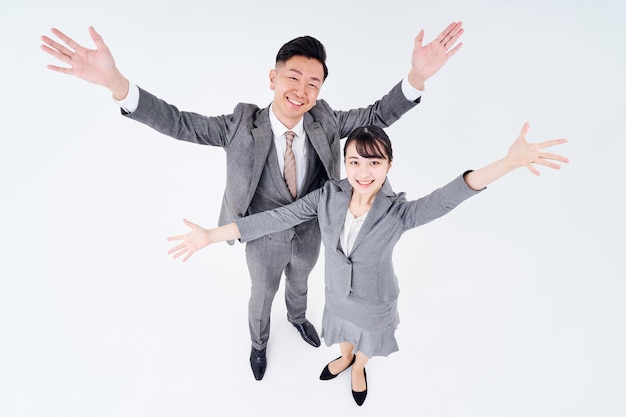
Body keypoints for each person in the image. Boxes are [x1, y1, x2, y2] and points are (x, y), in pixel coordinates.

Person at [40, 22, 465, 381]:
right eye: (293, 78)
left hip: (313, 231)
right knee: (262, 293)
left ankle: (298, 320)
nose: (301, 90)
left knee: (300, 284)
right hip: (261, 236)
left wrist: (416, 78)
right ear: (273, 79)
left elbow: (376, 116)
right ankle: (259, 344)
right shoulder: (241, 124)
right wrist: (117, 84)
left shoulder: (324, 119)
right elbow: (179, 122)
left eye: (312, 83)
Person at [166, 122, 569, 405]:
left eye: (374, 162)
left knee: (366, 344)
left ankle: (358, 367)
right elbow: (273, 219)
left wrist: (507, 163)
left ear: (389, 166)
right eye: (355, 161)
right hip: (338, 295)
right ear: (346, 163)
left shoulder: (399, 213)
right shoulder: (327, 196)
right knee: (342, 334)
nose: (363, 171)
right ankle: (343, 357)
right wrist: (211, 235)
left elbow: (450, 195)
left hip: (375, 302)